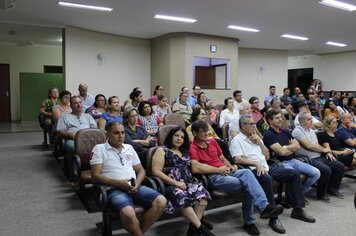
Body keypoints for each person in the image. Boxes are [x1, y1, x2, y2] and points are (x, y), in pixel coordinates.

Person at [189, 120, 284, 236]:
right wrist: (218, 170)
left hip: (226, 171)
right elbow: (195, 168)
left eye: (206, 131)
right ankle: (250, 221)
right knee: (248, 185)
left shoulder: (212, 142)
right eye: (202, 132)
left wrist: (231, 166)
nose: (206, 134)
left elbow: (222, 158)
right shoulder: (192, 148)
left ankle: (264, 207)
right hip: (213, 176)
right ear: (194, 133)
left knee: (247, 173)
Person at [229, 115, 315, 234]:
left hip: (267, 167)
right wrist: (255, 163)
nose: (254, 126)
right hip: (251, 170)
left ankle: (298, 209)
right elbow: (237, 159)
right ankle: (273, 218)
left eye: (254, 123)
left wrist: (259, 141)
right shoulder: (236, 140)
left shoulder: (256, 138)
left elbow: (267, 156)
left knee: (293, 173)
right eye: (251, 124)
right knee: (267, 178)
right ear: (243, 126)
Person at [90, 122, 166, 236]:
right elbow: (95, 176)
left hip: (134, 185)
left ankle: (139, 233)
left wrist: (136, 184)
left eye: (122, 133)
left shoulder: (129, 148)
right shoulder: (99, 149)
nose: (120, 136)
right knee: (128, 213)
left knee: (161, 202)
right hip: (113, 188)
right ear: (107, 134)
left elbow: (141, 171)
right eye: (116, 133)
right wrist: (119, 183)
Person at [152, 127, 215, 236]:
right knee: (182, 196)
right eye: (176, 135)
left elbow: (195, 166)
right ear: (171, 136)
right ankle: (202, 229)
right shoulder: (162, 150)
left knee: (203, 195)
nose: (179, 139)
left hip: (188, 182)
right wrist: (175, 183)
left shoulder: (185, 152)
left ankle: (193, 230)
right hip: (171, 184)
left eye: (182, 137)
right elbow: (156, 171)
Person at [262, 109, 320, 197]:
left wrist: (285, 147)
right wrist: (288, 148)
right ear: (270, 121)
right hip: (280, 163)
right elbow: (281, 152)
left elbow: (297, 146)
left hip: (292, 159)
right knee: (294, 176)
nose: (280, 119)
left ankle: (298, 194)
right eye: (277, 118)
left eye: (281, 117)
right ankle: (294, 196)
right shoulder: (268, 134)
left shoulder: (285, 131)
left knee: (316, 173)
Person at [292, 112, 345, 201]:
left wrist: (327, 151)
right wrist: (324, 150)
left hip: (318, 156)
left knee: (339, 166)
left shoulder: (311, 131)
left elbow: (317, 145)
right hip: (306, 158)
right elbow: (309, 146)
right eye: (308, 119)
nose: (311, 121)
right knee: (326, 170)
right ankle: (321, 194)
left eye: (311, 119)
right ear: (301, 121)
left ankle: (332, 188)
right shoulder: (297, 131)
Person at [56, 96, 97, 185]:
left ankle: (97, 172)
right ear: (71, 105)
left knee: (100, 149)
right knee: (74, 149)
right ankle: (75, 177)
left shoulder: (88, 116)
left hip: (89, 140)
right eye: (75, 103)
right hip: (72, 140)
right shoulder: (65, 117)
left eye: (80, 102)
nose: (78, 105)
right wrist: (70, 134)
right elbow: (59, 132)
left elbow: (95, 130)